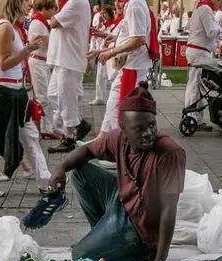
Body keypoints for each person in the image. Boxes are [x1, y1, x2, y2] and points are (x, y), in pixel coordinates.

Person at [48, 81, 186, 261]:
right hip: (121, 202)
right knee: (80, 173)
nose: (148, 133)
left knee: (80, 258)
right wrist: (60, 168)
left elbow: (169, 209)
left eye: (152, 125)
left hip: (139, 227)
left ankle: (139, 252)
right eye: (139, 129)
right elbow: (87, 150)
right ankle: (104, 236)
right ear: (123, 128)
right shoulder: (119, 138)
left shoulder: (169, 153)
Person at [0, 0, 43, 197]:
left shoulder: (13, 27)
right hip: (3, 90)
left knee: (27, 135)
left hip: (14, 90)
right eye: (26, 2)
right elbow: (3, 63)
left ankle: (45, 180)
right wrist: (27, 50)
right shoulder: (5, 27)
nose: (29, 6)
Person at [89, 0, 153, 145]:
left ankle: (117, 145)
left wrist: (112, 51)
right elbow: (132, 35)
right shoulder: (135, 3)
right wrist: (101, 51)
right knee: (114, 101)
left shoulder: (134, 4)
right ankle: (102, 140)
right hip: (131, 64)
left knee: (120, 105)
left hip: (133, 65)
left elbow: (138, 39)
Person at [44, 0, 91, 153]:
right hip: (62, 59)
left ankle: (68, 138)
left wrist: (52, 14)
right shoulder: (69, 3)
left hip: (69, 60)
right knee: (53, 95)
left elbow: (54, 22)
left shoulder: (76, 2)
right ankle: (79, 123)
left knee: (66, 98)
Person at [185, 0, 221, 132]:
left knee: (200, 87)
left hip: (199, 50)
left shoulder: (199, 8)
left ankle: (197, 119)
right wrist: (220, 27)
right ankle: (191, 117)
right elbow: (211, 32)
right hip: (199, 51)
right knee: (194, 86)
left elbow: (189, 26)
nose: (220, 4)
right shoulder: (206, 9)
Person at [27, 0, 59, 140]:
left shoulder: (40, 22)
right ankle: (46, 128)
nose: (54, 12)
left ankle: (43, 126)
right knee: (44, 97)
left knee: (44, 96)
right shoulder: (38, 23)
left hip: (41, 61)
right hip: (39, 61)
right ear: (44, 8)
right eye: (52, 9)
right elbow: (47, 44)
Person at [88, 4, 113, 108]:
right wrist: (98, 26)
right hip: (101, 52)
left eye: (104, 13)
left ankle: (113, 98)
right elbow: (100, 31)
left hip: (109, 53)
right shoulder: (104, 24)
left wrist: (100, 34)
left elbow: (110, 35)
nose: (102, 15)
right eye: (101, 13)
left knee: (110, 76)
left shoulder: (113, 24)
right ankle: (100, 97)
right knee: (100, 75)